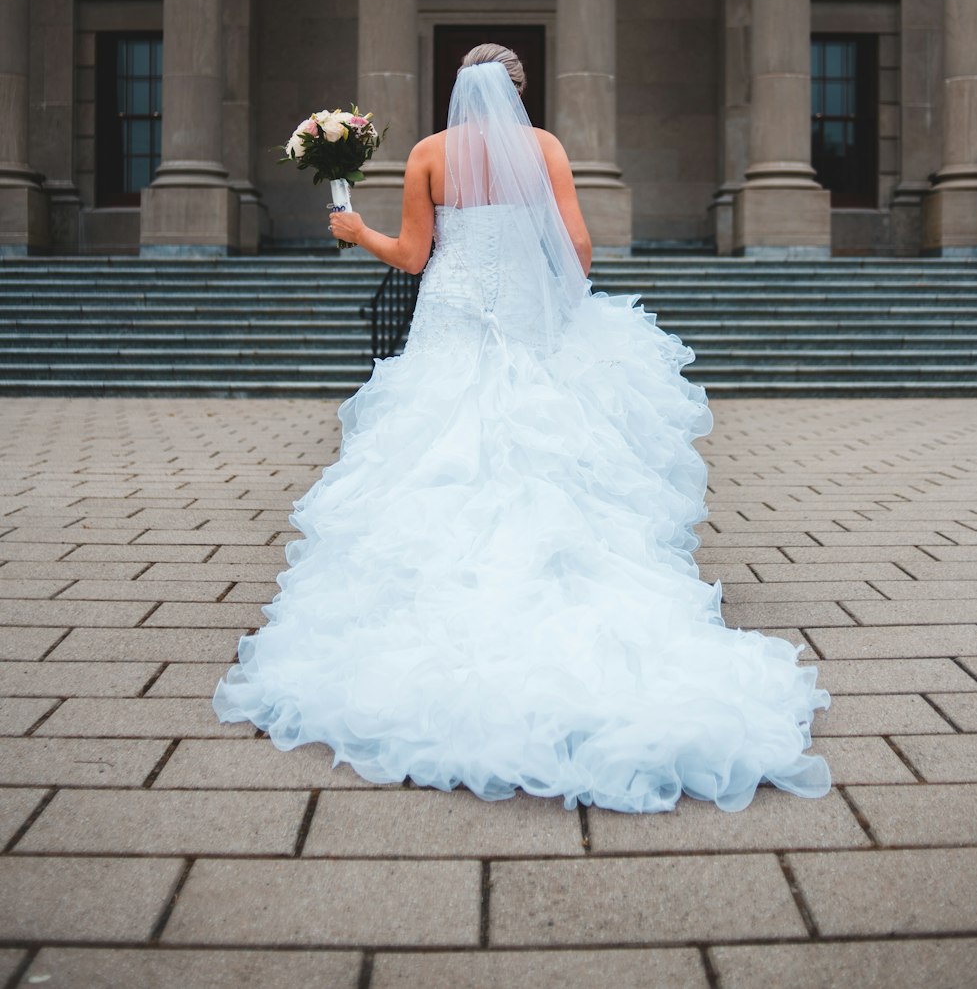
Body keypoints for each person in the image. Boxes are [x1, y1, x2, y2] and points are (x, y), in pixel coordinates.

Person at [212, 43, 831, 813]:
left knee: (439, 449)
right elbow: (576, 244)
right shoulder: (544, 148)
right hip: (529, 323)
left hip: (454, 322)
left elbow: (411, 258)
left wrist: (354, 234)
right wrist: (563, 309)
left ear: (460, 92)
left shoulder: (430, 155)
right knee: (546, 454)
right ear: (518, 92)